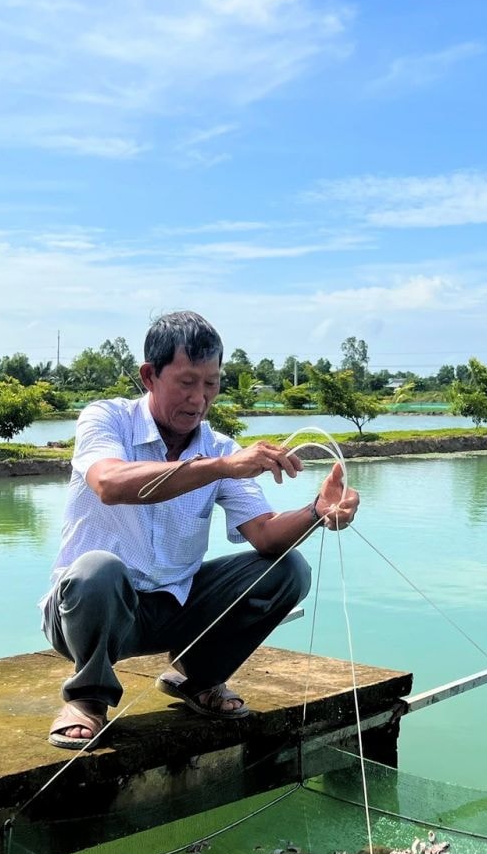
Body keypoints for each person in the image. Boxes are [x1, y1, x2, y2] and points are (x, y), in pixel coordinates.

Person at [42, 311, 361, 749]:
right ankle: (86, 700)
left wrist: (315, 511)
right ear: (149, 376)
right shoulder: (106, 418)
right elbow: (110, 484)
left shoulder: (220, 448)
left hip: (176, 607)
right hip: (89, 612)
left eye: (211, 383)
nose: (199, 398)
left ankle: (197, 677)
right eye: (187, 382)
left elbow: (265, 534)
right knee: (98, 569)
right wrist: (219, 468)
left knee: (289, 571)